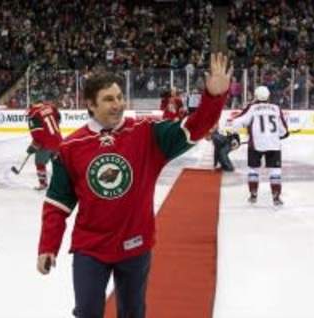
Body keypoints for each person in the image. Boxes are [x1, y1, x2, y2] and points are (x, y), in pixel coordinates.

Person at [36, 53, 232, 318]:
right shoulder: (71, 148)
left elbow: (195, 128)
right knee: (87, 312)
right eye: (108, 99)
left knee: (132, 312)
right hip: (90, 248)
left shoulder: (146, 133)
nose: (117, 104)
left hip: (134, 246)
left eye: (119, 97)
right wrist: (48, 246)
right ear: (91, 105)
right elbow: (57, 204)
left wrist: (214, 97)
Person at [231, 85, 289, 206]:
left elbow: (237, 122)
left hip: (255, 144)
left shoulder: (252, 108)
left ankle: (253, 195)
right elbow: (283, 130)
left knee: (253, 169)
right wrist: (284, 134)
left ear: (256, 96)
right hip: (274, 144)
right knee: (275, 171)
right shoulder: (276, 108)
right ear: (268, 96)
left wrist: (235, 134)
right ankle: (276, 197)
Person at [26, 101, 62, 190]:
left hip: (45, 143)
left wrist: (34, 146)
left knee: (39, 163)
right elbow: (59, 118)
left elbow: (37, 135)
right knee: (58, 164)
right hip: (59, 141)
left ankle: (43, 184)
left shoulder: (33, 114)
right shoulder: (51, 107)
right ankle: (61, 183)